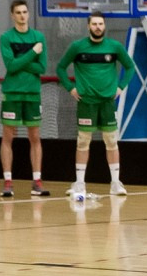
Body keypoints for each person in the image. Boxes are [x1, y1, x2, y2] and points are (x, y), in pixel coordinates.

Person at [56, 11, 135, 201]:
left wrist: (121, 87)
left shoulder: (114, 47)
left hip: (107, 102)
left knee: (111, 141)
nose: (98, 27)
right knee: (83, 141)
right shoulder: (77, 47)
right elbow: (60, 68)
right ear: (88, 26)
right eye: (94, 24)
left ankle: (115, 182)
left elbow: (130, 66)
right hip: (87, 102)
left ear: (104, 26)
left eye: (101, 24)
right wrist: (70, 88)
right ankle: (80, 182)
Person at [0, 0, 49, 197]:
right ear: (12, 15)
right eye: (18, 12)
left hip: (33, 93)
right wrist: (32, 54)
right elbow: (10, 67)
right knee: (8, 136)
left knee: (35, 137)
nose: (22, 15)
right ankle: (8, 182)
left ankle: (37, 180)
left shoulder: (39, 37)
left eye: (25, 12)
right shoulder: (6, 37)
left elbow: (42, 68)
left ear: (28, 14)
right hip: (12, 92)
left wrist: (21, 60)